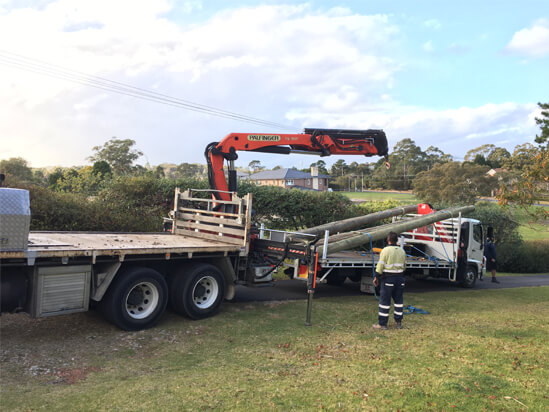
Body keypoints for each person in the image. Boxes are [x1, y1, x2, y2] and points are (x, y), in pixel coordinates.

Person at [373, 231, 406, 330]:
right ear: (396, 240)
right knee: (398, 301)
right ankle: (398, 323)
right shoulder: (402, 251)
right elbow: (404, 266)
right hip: (400, 279)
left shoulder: (385, 251)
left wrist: (376, 277)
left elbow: (380, 265)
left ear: (388, 240)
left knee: (385, 302)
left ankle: (382, 324)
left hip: (388, 279)